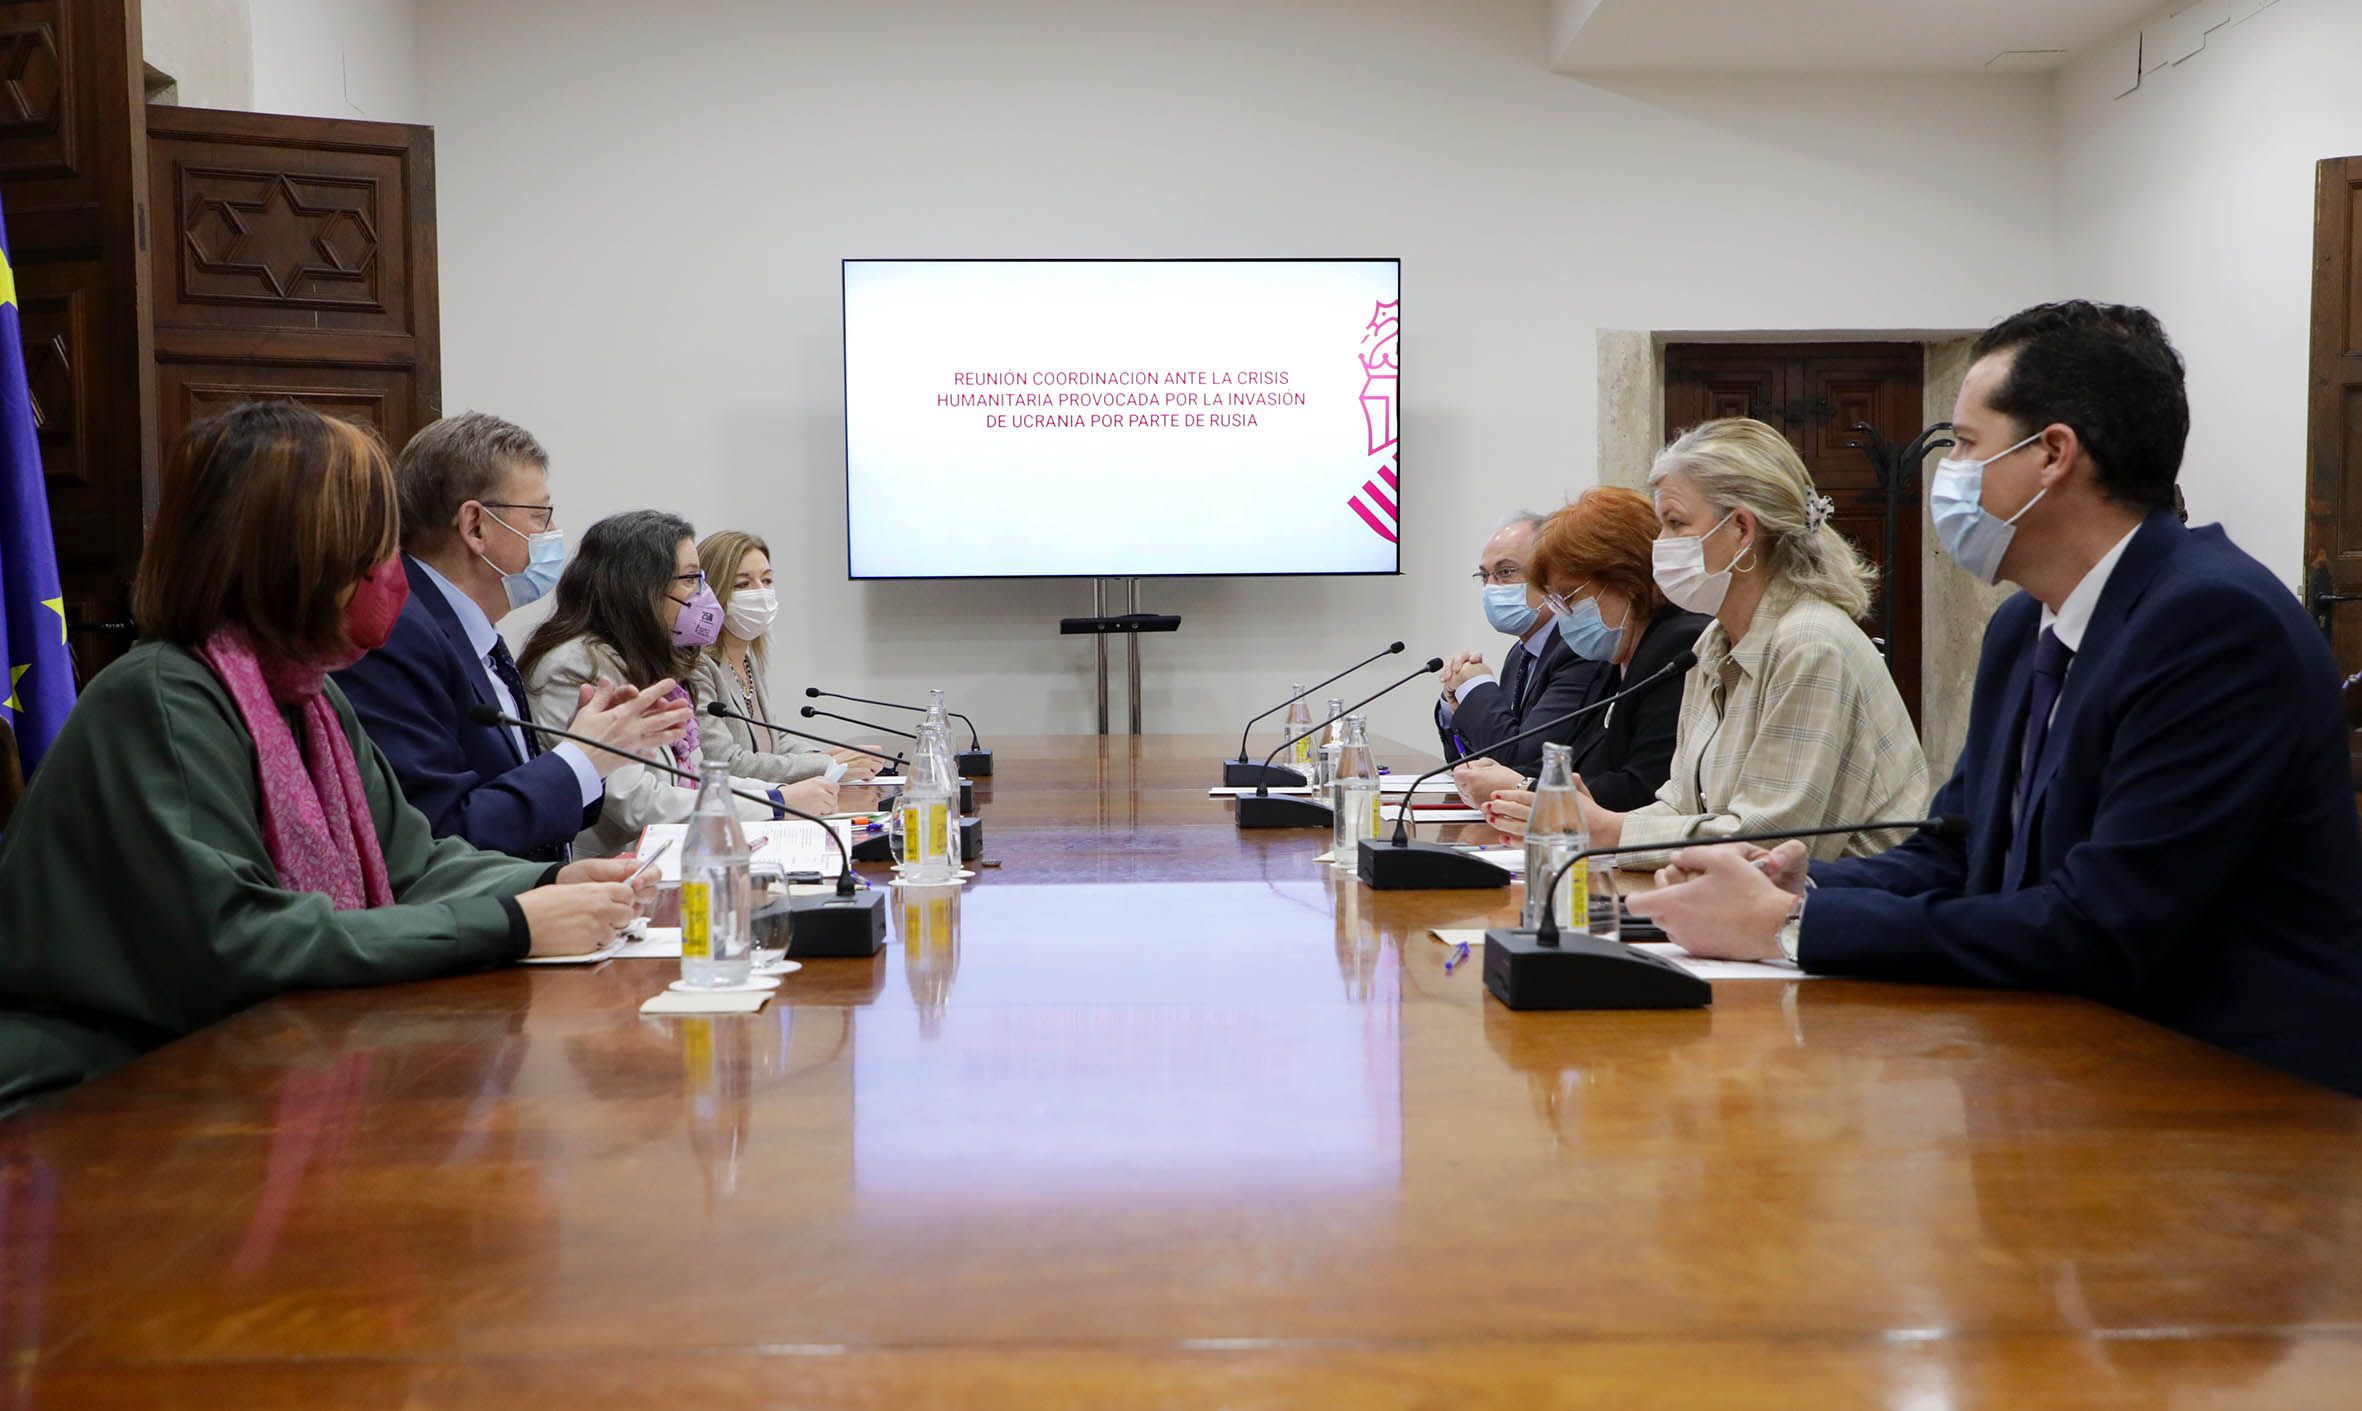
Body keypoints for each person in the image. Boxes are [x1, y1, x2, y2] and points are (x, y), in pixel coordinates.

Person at [1629, 301, 2362, 1096]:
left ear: (2052, 455)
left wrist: (1791, 926)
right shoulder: (2023, 625)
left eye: (1967, 445)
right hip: (2058, 1060)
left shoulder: (2214, 622)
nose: (1948, 476)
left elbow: (2099, 927)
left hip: (2229, 1097)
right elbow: (1957, 851)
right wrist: (1785, 883)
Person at [0, 403, 652, 1107]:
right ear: (290, 554)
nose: (389, 573)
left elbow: (413, 862)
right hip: (92, 1095)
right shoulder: (162, 697)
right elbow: (242, 942)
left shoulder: (307, 691)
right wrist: (511, 923)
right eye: (369, 547)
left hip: (229, 1066)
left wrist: (550, 880)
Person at [1480, 418, 1928, 865]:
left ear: (1741, 530)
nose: (1659, 545)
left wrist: (1608, 830)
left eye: (1675, 523)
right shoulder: (1715, 641)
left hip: (1836, 917)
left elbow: (1771, 846)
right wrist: (1590, 819)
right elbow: (1680, 803)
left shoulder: (1810, 644)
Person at [333, 413, 691, 862]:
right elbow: (442, 834)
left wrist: (593, 749)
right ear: (476, 526)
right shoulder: (398, 635)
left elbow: (512, 801)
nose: (552, 535)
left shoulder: (472, 631)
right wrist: (582, 758)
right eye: (540, 516)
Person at [519, 511, 838, 858]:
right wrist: (775, 803)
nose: (703, 594)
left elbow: (694, 774)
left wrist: (777, 794)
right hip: (602, 874)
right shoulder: (575, 668)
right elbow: (636, 802)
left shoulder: (642, 659)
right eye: (690, 579)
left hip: (660, 858)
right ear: (641, 587)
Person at [1449, 488, 1709, 812]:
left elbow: (1645, 788)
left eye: (1568, 597)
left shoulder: (1674, 646)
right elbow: (1584, 765)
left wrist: (1519, 787)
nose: (1562, 614)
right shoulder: (1617, 653)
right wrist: (1500, 777)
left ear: (1625, 580)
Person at [692, 529, 878, 785]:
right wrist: (827, 765)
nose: (761, 592)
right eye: (743, 584)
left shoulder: (748, 659)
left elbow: (774, 742)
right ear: (711, 592)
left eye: (767, 581)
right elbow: (726, 763)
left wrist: (830, 758)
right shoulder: (698, 666)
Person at [1434, 511, 1610, 775]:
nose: (1492, 587)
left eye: (1505, 572)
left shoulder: (1579, 650)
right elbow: (1471, 761)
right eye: (1485, 576)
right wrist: (1456, 698)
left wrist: (1476, 686)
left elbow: (1522, 760)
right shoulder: (1521, 653)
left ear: (1552, 576)